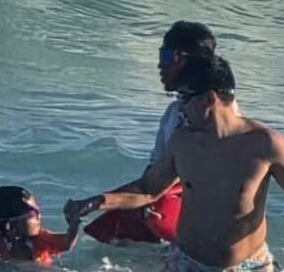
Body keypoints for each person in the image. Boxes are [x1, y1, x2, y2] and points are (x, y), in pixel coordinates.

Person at [65, 53, 284, 272]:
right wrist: (97, 202)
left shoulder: (264, 144)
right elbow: (148, 189)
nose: (180, 108)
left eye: (184, 99)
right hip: (187, 266)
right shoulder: (182, 142)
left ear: (210, 98)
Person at [84, 20, 218, 245]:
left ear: (181, 59)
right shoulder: (174, 112)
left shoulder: (212, 116)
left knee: (152, 211)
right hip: (162, 193)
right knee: (104, 229)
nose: (159, 66)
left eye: (164, 57)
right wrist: (99, 201)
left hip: (197, 207)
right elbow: (152, 176)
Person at [0, 185, 79, 268]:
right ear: (11, 225)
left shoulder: (40, 239)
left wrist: (74, 224)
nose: (40, 216)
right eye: (33, 214)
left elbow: (66, 244)